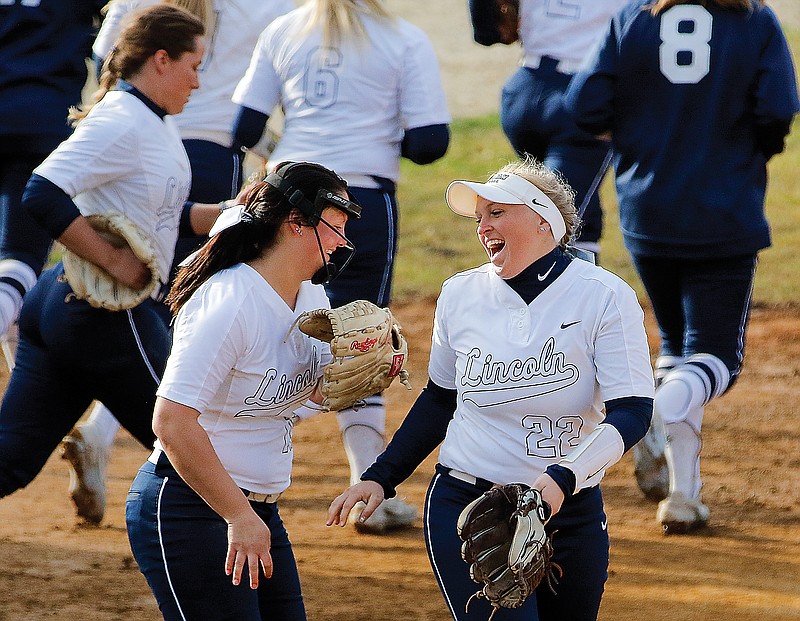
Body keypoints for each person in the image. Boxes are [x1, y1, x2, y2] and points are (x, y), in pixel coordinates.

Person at [328, 157, 656, 621]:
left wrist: (563, 478)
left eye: (497, 212)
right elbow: (440, 399)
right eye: (479, 217)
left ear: (544, 220)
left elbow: (633, 410)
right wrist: (380, 476)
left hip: (570, 508)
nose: (483, 226)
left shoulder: (604, 295)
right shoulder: (459, 294)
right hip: (470, 508)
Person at [566, 0, 799, 533]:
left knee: (677, 349)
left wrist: (641, 138)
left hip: (647, 208)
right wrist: (746, 151)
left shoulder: (633, 17)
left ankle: (683, 496)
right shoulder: (753, 19)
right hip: (724, 209)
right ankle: (652, 408)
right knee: (716, 359)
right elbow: (777, 110)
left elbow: (585, 105)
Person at [61, 0, 295, 527]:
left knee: (161, 313)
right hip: (210, 151)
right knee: (190, 315)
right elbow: (273, 88)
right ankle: (203, 468)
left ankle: (102, 431)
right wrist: (274, 148)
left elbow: (104, 57)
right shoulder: (269, 5)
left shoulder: (136, 50)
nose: (197, 76)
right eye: (193, 65)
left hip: (156, 142)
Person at [231, 0, 451, 533]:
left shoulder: (283, 29)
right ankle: (366, 490)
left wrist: (287, 156)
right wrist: (372, 135)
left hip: (283, 198)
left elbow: (244, 125)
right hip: (362, 201)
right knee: (361, 340)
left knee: (271, 324)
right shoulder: (402, 38)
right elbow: (430, 142)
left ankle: (228, 446)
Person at [126, 162, 361, 621]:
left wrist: (360, 369)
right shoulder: (230, 301)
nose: (342, 241)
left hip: (257, 510)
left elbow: (304, 391)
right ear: (297, 223)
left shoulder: (311, 296)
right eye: (336, 226)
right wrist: (237, 515)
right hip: (193, 508)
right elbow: (171, 421)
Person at [0, 5, 207, 500]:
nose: (198, 82)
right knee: (199, 454)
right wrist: (113, 260)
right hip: (103, 315)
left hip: (64, 306)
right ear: (161, 59)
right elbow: (41, 191)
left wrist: (236, 214)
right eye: (194, 66)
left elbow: (165, 214)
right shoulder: (123, 119)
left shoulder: (150, 119)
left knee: (10, 460)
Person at [468, 0, 631, 259]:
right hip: (580, 95)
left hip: (522, 91)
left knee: (574, 203)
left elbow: (486, 29)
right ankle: (547, 282)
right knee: (558, 218)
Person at [0, 0, 106, 363]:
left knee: (12, 273)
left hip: (31, 116)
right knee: (19, 261)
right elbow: (114, 39)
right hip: (42, 118)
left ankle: (17, 387)